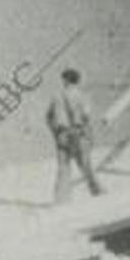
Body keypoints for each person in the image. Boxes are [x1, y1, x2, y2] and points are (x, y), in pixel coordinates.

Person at [46, 68, 102, 203]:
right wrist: (89, 135)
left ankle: (61, 200)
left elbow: (48, 117)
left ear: (65, 80)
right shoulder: (82, 96)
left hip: (62, 135)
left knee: (63, 168)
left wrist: (55, 132)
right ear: (77, 81)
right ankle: (96, 191)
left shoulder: (56, 96)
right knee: (85, 165)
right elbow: (86, 116)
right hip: (78, 133)